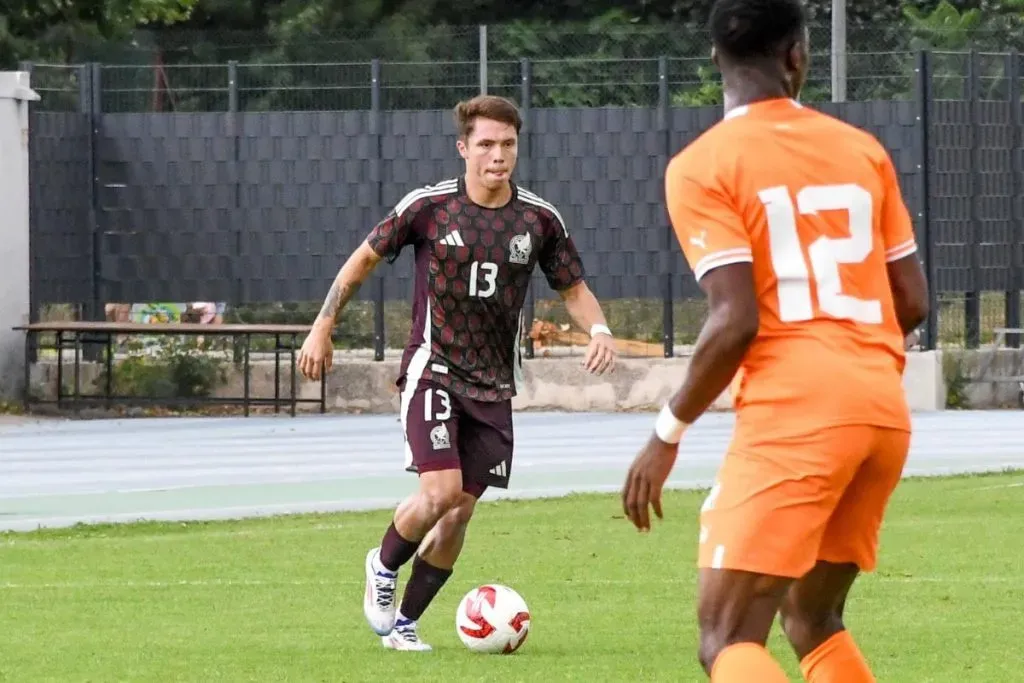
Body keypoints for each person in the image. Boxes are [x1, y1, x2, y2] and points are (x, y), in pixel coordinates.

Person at [620, 1, 930, 681]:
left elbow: (735, 320)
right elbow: (912, 301)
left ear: (715, 62)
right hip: (881, 407)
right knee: (811, 616)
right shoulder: (862, 149)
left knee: (726, 634)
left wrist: (665, 433)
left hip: (797, 411)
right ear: (797, 55)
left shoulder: (701, 165)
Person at [297, 94, 618, 651]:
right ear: (463, 148)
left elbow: (574, 289)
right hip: (434, 368)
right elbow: (363, 259)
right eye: (487, 144)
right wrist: (323, 325)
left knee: (459, 513)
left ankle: (405, 625)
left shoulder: (539, 219)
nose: (498, 155)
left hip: (494, 384)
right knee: (440, 491)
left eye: (508, 144)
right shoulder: (429, 207)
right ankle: (383, 563)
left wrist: (600, 331)